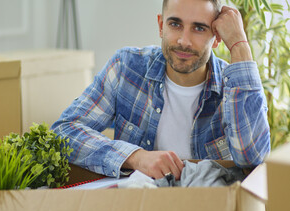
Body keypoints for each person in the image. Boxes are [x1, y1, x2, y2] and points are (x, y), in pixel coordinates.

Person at [51, 0, 270, 180]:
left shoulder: (233, 86)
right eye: (175, 24)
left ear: (216, 38)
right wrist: (135, 157)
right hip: (136, 210)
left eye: (199, 28)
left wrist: (239, 44)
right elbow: (64, 132)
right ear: (160, 26)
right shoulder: (126, 67)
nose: (184, 41)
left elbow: (254, 160)